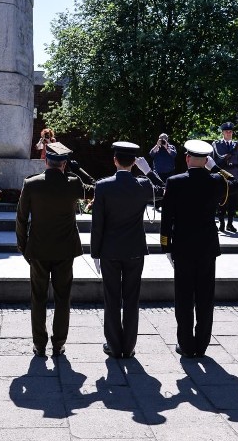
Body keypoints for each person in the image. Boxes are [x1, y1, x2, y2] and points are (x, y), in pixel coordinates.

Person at [160, 139, 238, 359]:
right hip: (206, 246)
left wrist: (166, 245)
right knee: (205, 297)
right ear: (206, 160)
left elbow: (166, 218)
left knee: (184, 297)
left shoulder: (174, 182)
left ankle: (186, 345)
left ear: (187, 158)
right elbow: (235, 183)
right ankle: (202, 344)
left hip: (183, 246)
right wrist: (214, 167)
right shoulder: (215, 180)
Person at [16, 141, 92, 358]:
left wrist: (23, 245)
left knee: (38, 297)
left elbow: (21, 218)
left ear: (45, 160)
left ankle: (39, 344)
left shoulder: (31, 184)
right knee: (62, 297)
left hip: (38, 249)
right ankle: (58, 344)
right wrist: (79, 171)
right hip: (65, 250)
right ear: (65, 164)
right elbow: (95, 188)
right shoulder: (73, 183)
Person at [91, 142, 165, 359]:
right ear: (134, 163)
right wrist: (149, 172)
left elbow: (98, 225)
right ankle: (129, 346)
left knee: (112, 299)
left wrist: (95, 253)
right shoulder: (143, 185)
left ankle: (114, 346)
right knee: (131, 299)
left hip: (110, 251)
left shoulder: (103, 186)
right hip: (134, 250)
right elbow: (165, 190)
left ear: (115, 160)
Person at [212, 122, 238, 232]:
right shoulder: (216, 144)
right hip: (221, 175)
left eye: (230, 131)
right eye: (226, 131)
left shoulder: (236, 145)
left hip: (234, 176)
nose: (229, 133)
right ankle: (221, 223)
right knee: (221, 201)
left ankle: (230, 223)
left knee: (232, 201)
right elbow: (214, 161)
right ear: (222, 133)